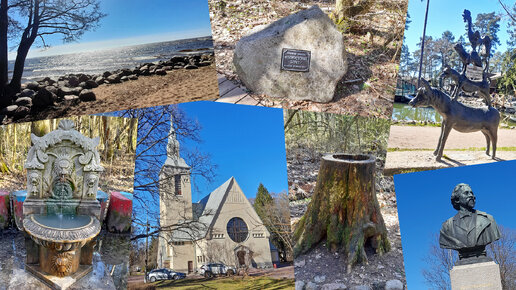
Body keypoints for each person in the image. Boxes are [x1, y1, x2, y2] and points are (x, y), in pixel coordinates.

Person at [439, 183, 501, 264]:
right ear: (457, 199)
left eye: (471, 193)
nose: (471, 195)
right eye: (466, 193)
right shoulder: (447, 226)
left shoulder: (488, 219)